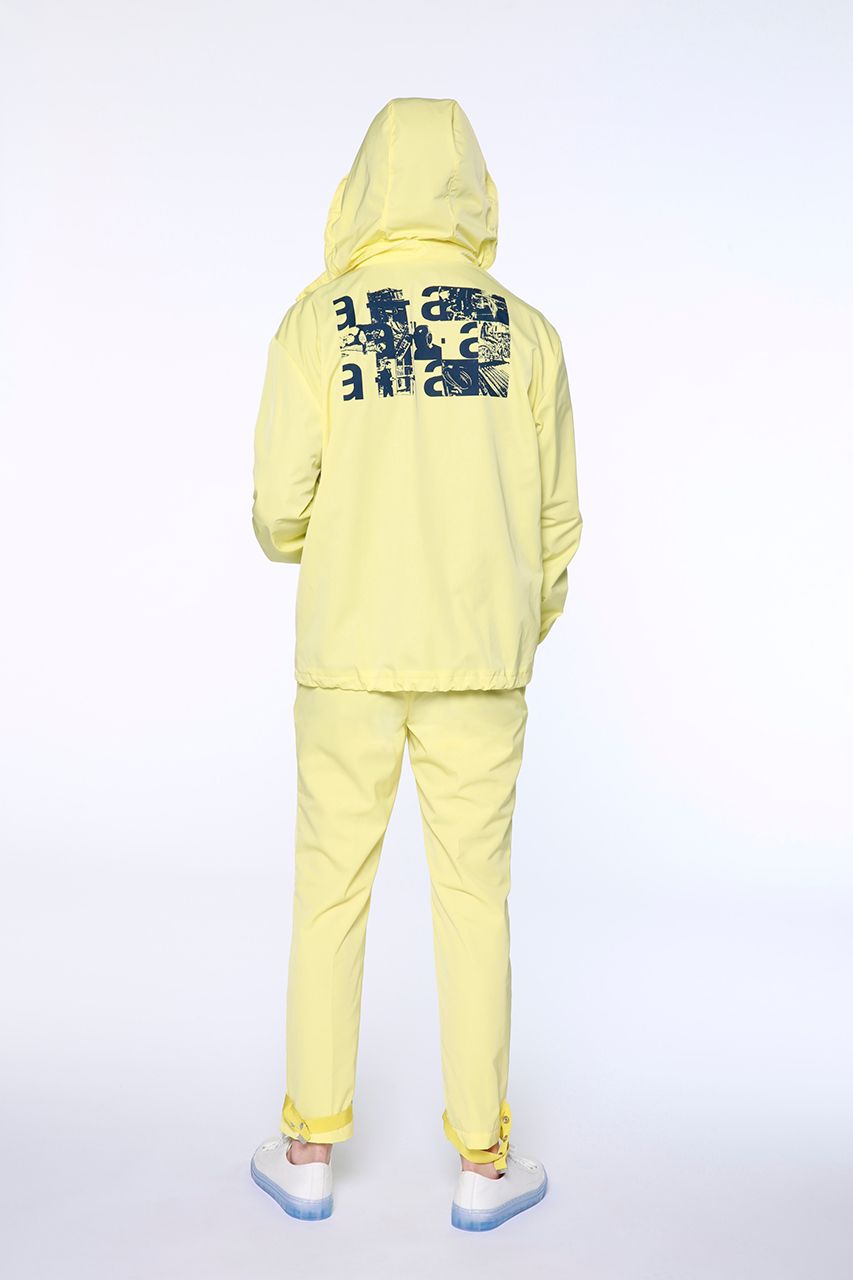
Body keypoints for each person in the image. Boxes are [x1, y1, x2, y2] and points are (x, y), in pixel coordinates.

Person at [249, 96, 583, 1231]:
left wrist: (336, 545)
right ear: (471, 188)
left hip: (348, 655)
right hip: (480, 667)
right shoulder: (526, 334)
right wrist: (512, 623)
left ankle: (307, 1146)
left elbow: (275, 510)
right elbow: (556, 526)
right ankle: (485, 1163)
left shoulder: (316, 322)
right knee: (474, 897)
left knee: (328, 889)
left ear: (363, 186)